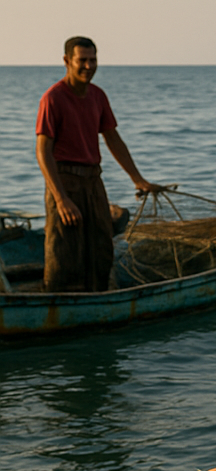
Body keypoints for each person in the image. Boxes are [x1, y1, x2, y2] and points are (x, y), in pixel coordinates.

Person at [35, 36, 160, 292]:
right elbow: (43, 151)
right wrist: (61, 199)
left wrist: (138, 179)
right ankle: (56, 301)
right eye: (82, 60)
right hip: (64, 181)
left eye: (93, 60)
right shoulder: (53, 98)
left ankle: (99, 298)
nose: (89, 66)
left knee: (101, 245)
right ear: (67, 61)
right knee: (64, 248)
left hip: (93, 181)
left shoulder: (98, 96)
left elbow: (113, 138)